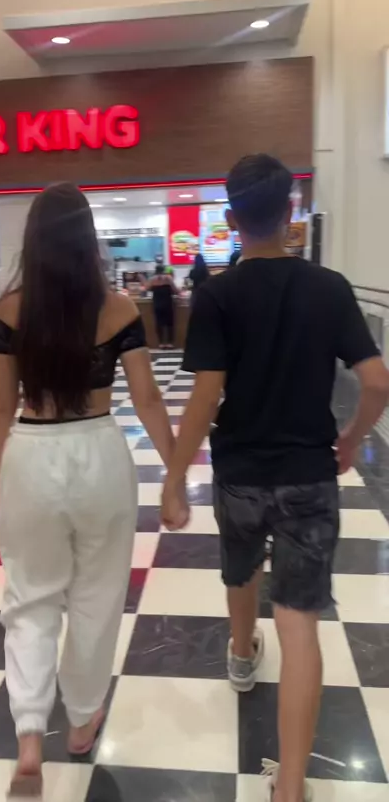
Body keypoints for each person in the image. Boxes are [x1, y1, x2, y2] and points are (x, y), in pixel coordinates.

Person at [161, 154, 389, 802]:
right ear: (290, 213)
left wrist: (174, 479)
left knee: (240, 569)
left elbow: (206, 396)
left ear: (232, 220)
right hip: (309, 476)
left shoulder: (218, 294)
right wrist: (351, 437)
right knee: (299, 623)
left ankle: (240, 653)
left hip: (239, 472)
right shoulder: (330, 287)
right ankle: (290, 785)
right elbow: (377, 381)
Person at [0, 182, 185, 797]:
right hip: (99, 454)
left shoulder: (9, 310)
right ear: (87, 237)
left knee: (30, 597)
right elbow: (148, 399)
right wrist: (175, 475)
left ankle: (28, 733)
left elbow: (0, 407)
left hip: (30, 455)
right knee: (97, 595)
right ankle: (80, 720)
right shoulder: (118, 309)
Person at [147, 263, 178, 348]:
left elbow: (146, 288)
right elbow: (175, 290)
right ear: (163, 270)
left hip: (157, 303)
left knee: (159, 323)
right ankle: (170, 343)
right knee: (169, 324)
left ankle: (161, 343)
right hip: (167, 303)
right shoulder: (168, 278)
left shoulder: (152, 279)